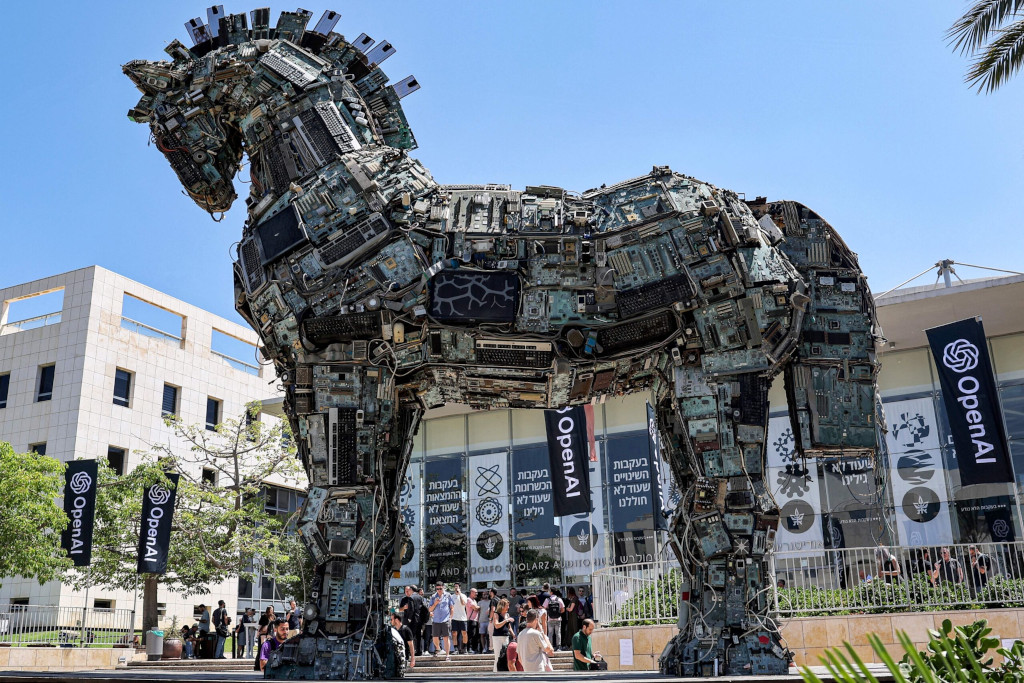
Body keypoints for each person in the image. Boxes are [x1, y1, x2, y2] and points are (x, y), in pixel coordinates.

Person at [427, 581, 455, 661]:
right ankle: (438, 649)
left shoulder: (448, 595)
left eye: (440, 588)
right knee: (435, 637)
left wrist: (450, 617)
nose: (439, 590)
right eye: (437, 589)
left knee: (446, 637)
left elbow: (452, 607)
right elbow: (430, 609)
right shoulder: (433, 597)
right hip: (436, 620)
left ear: (443, 587)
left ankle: (447, 655)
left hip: (445, 619)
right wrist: (435, 604)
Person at [398, 585, 424, 656]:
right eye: (405, 591)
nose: (407, 592)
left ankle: (417, 651)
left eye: (408, 590)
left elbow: (414, 609)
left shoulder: (412, 598)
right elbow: (399, 609)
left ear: (411, 590)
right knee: (408, 636)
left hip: (412, 620)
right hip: (408, 620)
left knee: (415, 635)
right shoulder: (404, 599)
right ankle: (410, 651)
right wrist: (404, 608)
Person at [490, 598, 514, 672]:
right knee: (498, 656)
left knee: (505, 655)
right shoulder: (496, 614)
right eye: (507, 605)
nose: (508, 607)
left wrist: (513, 634)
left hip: (506, 636)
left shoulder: (507, 614)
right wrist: (506, 620)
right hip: (497, 637)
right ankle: (495, 672)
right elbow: (497, 625)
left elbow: (508, 626)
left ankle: (504, 671)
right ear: (502, 606)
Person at [451, 583, 469, 654]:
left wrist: (460, 594)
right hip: (454, 617)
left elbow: (463, 603)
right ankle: (455, 649)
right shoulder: (452, 597)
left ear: (460, 588)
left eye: (457, 587)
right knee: (454, 633)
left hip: (463, 618)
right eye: (455, 587)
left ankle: (465, 648)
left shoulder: (463, 596)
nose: (456, 588)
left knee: (464, 633)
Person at [466, 588, 480, 654]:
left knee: (475, 635)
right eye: (475, 592)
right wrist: (479, 607)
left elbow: (476, 608)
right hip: (471, 620)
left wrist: (477, 607)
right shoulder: (468, 600)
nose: (476, 594)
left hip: (476, 620)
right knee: (471, 635)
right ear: (471, 592)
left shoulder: (474, 600)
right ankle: (469, 648)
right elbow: (475, 608)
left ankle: (474, 648)